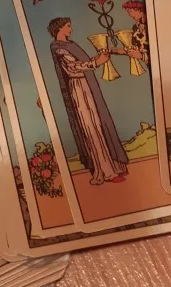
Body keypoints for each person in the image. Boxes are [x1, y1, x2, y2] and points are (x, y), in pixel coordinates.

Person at [48, 17, 129, 185]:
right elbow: (72, 68)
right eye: (68, 26)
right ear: (59, 28)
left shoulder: (71, 45)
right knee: (91, 128)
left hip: (88, 86)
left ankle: (114, 167)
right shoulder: (58, 48)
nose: (71, 29)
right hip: (78, 89)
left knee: (100, 124)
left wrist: (98, 59)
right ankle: (105, 171)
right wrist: (96, 62)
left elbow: (82, 63)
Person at [113, 0, 149, 64]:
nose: (130, 15)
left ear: (139, 10)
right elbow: (134, 48)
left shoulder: (151, 24)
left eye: (130, 11)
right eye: (128, 12)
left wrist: (141, 56)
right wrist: (119, 51)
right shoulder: (135, 27)